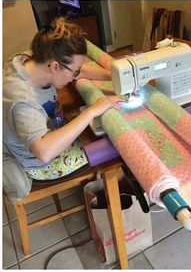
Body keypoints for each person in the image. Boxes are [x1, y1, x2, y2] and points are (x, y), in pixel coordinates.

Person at [3, 17, 113, 181]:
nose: (75, 75)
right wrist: (91, 111)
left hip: (49, 131)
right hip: (41, 165)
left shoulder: (30, 59)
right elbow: (44, 153)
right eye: (74, 72)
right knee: (118, 145)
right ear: (55, 66)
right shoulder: (23, 100)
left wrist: (117, 75)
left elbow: (81, 70)